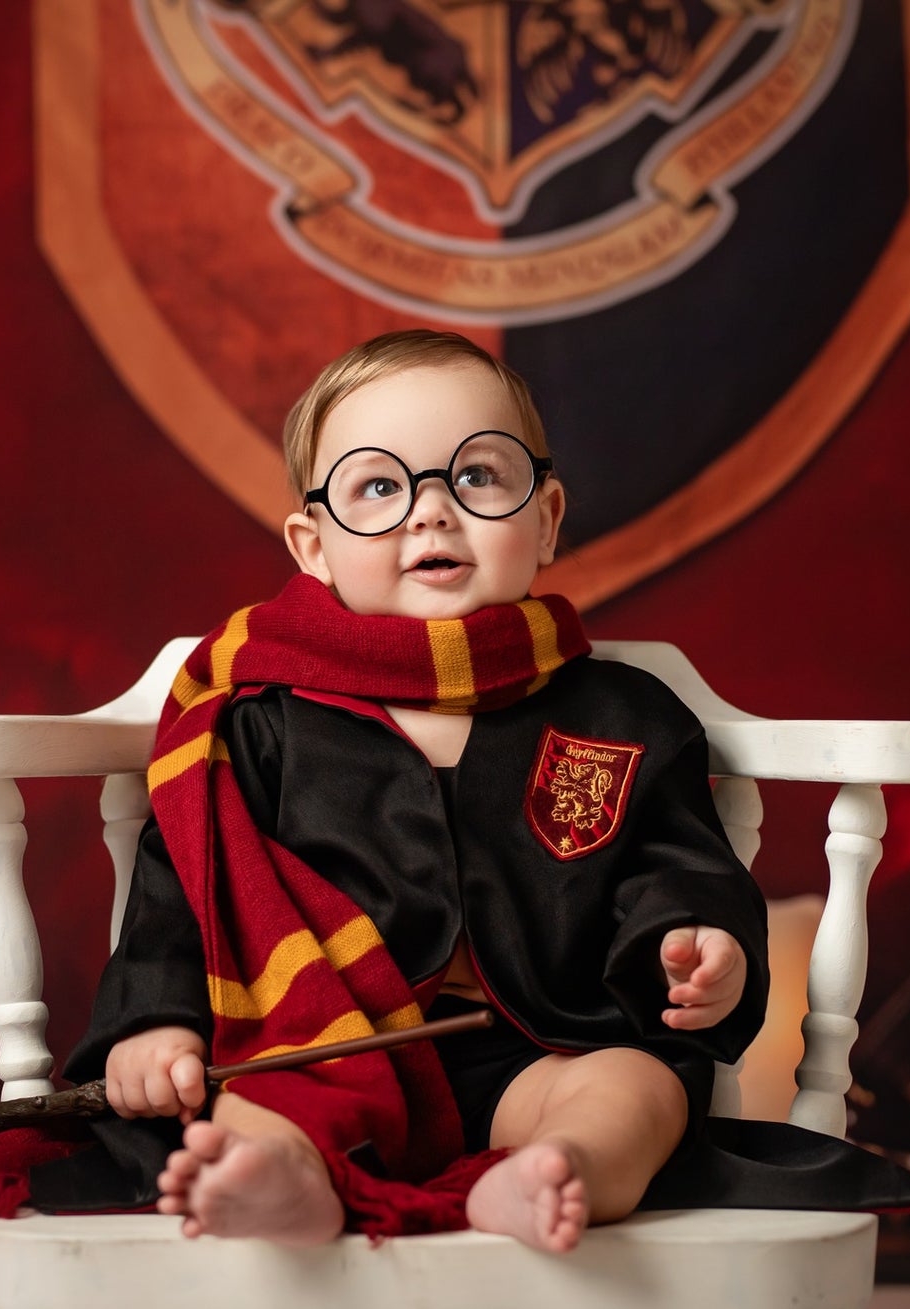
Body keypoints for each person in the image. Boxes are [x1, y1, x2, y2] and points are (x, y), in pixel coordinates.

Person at [60, 329, 768, 1253]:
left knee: (636, 1088)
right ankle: (288, 1180)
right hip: (325, 1046)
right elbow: (189, 890)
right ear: (313, 546)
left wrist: (701, 944)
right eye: (378, 487)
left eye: (476, 476)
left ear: (547, 517)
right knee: (255, 1107)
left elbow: (680, 864)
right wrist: (153, 1019)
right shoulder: (266, 721)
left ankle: (560, 1168)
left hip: (539, 1051)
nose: (431, 512)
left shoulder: (619, 714)